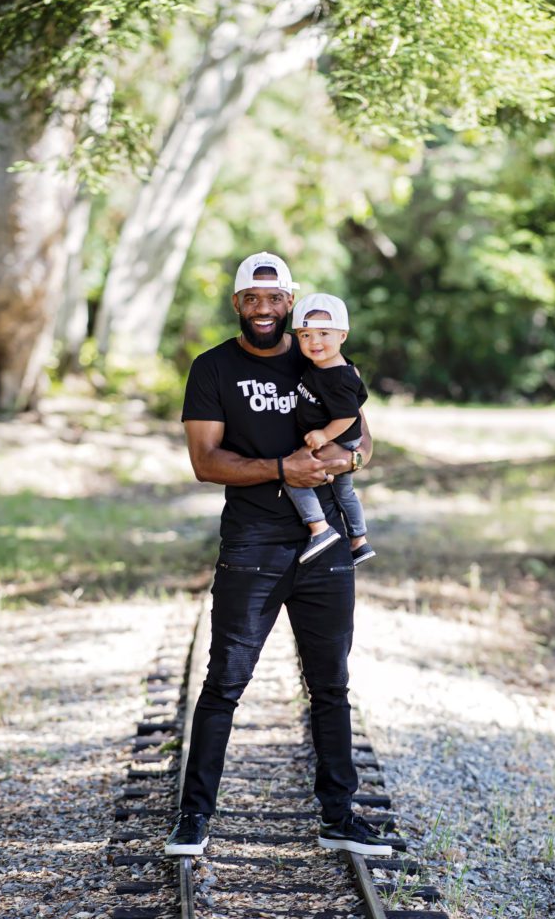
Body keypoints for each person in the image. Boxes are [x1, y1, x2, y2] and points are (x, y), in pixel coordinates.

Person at [164, 251, 393, 858]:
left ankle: (339, 817)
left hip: (328, 546)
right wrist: (280, 468)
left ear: (290, 301)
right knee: (224, 684)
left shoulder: (316, 350)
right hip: (253, 544)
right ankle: (194, 820)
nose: (264, 309)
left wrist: (352, 460)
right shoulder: (212, 368)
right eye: (252, 298)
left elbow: (361, 433)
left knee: (331, 686)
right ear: (237, 303)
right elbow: (204, 461)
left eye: (275, 298)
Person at [282, 292, 376, 567]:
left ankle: (319, 529)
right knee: (344, 492)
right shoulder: (326, 366)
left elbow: (348, 414)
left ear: (342, 336)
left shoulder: (337, 376)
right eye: (306, 335)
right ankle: (359, 541)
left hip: (341, 441)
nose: (315, 341)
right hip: (342, 438)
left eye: (324, 333)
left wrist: (324, 435)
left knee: (293, 478)